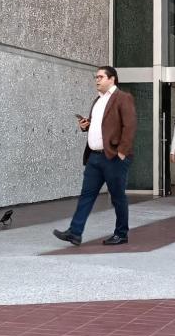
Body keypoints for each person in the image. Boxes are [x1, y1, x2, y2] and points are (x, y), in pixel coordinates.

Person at [53, 66, 137, 246]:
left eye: (100, 77)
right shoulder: (97, 101)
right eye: (96, 77)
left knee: (117, 197)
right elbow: (102, 127)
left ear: (112, 79)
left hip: (113, 157)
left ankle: (121, 233)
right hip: (94, 157)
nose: (97, 80)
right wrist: (87, 125)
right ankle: (75, 232)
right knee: (86, 195)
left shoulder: (123, 98)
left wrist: (121, 153)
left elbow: (129, 126)